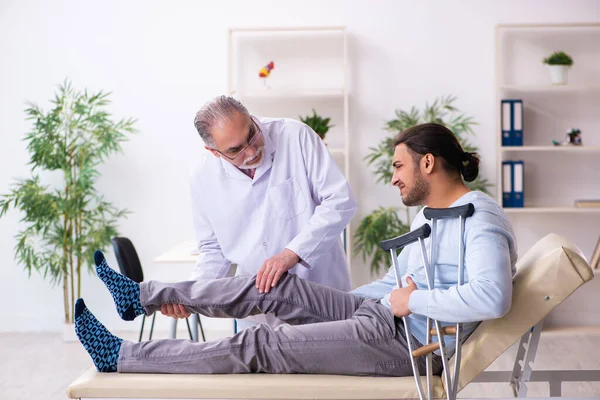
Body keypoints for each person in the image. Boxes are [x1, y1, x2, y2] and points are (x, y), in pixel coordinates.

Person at [76, 122, 517, 377]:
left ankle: (122, 356)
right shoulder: (428, 216)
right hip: (380, 315)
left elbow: (492, 297)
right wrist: (349, 303)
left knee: (261, 343)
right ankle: (140, 296)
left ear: (427, 163)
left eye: (398, 166)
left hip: (408, 345)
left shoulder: (480, 217)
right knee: (273, 287)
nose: (394, 178)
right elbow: (394, 286)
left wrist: (409, 300)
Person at [171, 96, 356, 329]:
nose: (251, 152)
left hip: (322, 293)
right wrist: (192, 292)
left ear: (251, 118)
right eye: (235, 150)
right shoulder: (202, 177)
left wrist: (292, 252)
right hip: (259, 312)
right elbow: (213, 249)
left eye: (251, 135)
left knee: (331, 362)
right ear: (213, 151)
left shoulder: (295, 136)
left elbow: (339, 200)